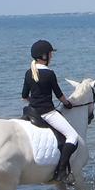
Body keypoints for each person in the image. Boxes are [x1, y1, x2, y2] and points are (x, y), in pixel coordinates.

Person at [21, 39, 80, 181]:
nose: (51, 56)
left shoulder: (29, 72)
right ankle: (61, 171)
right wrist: (68, 104)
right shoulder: (49, 74)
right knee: (73, 137)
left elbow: (24, 95)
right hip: (47, 113)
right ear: (44, 56)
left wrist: (34, 102)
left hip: (31, 111)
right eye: (50, 54)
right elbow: (59, 95)